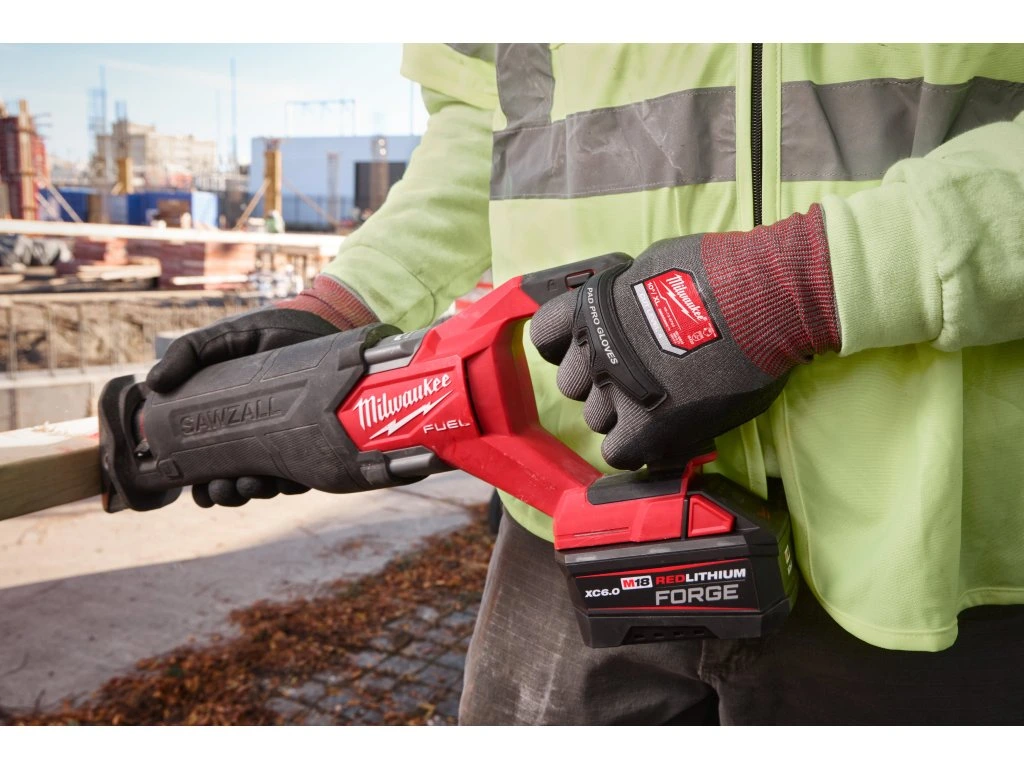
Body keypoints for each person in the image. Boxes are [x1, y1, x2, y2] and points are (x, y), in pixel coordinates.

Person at [147, 44, 1024, 724]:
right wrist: (344, 305)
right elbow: (487, 128)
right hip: (572, 523)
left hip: (941, 535)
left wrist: (808, 281)